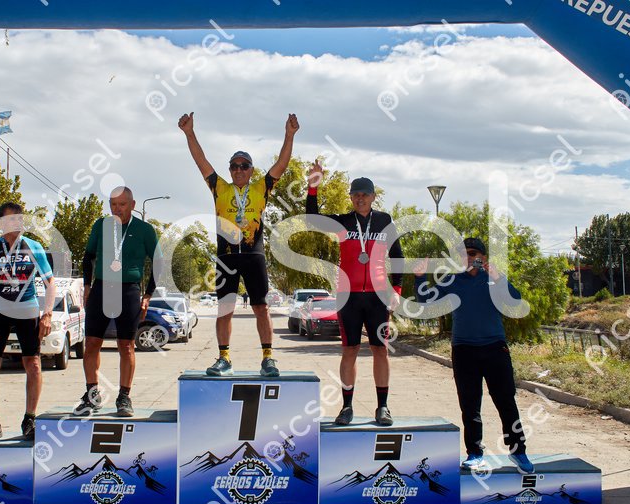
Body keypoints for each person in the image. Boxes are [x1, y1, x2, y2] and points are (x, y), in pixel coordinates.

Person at [178, 111, 299, 377]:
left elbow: (281, 164)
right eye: (234, 166)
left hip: (254, 255)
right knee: (225, 309)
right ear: (230, 170)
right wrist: (189, 133)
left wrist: (289, 135)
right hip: (227, 257)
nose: (239, 170)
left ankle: (268, 358)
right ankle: (224, 359)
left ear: (251, 170)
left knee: (261, 308)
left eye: (244, 166)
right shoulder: (219, 188)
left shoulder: (260, 188)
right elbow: (201, 161)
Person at [413, 237, 534, 474]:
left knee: (506, 401)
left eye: (472, 253)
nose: (467, 258)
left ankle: (518, 451)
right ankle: (475, 453)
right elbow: (425, 301)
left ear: (483, 257)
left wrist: (499, 278)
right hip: (464, 349)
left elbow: (515, 302)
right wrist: (419, 277)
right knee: (469, 405)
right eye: (463, 254)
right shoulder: (451, 281)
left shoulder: (494, 280)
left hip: (495, 348)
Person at [305, 160, 403, 426]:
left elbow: (397, 255)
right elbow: (312, 219)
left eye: (365, 194)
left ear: (373, 197)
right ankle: (347, 407)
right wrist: (313, 187)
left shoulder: (384, 221)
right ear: (351, 198)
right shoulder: (343, 222)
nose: (360, 198)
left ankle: (383, 407)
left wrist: (396, 289)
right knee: (349, 350)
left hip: (378, 297)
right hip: (348, 296)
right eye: (356, 194)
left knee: (380, 350)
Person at [74, 186, 161, 417]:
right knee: (92, 343)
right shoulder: (101, 225)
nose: (117, 209)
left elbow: (158, 262)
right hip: (102, 288)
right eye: (113, 204)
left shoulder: (144, 230)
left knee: (127, 345)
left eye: (122, 204)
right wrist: (87, 285)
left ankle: (124, 397)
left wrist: (148, 295)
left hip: (128, 290)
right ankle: (92, 395)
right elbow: (88, 256)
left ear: (132, 205)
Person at [0, 202, 56, 442]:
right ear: (1, 223)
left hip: (27, 309)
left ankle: (30, 419)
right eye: (12, 219)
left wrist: (47, 314)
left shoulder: (34, 247)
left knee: (33, 363)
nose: (18, 223)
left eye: (20, 219)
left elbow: (50, 283)